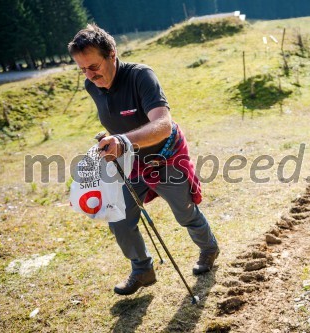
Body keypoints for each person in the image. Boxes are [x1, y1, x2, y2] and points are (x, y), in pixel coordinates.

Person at [68, 24, 220, 296]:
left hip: (166, 157)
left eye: (93, 66)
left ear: (112, 54)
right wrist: (112, 139)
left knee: (184, 213)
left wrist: (123, 140)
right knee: (119, 218)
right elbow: (117, 118)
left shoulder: (141, 76)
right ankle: (142, 269)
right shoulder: (92, 86)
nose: (90, 76)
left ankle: (208, 248)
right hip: (132, 162)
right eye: (83, 70)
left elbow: (163, 124)